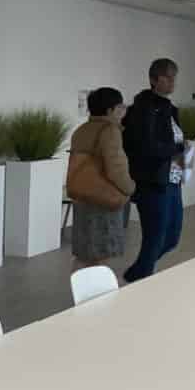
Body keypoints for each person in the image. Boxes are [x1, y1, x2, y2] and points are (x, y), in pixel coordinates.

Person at [122, 58, 185, 282]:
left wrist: (182, 164)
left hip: (173, 180)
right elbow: (145, 147)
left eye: (173, 77)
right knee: (155, 239)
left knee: (172, 238)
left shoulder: (171, 109)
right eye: (167, 77)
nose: (172, 82)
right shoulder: (142, 109)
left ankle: (135, 274)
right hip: (152, 183)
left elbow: (176, 144)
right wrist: (176, 148)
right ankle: (140, 279)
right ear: (153, 79)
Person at [65, 87, 132, 273]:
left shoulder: (81, 130)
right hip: (103, 199)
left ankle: (79, 286)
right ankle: (101, 289)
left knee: (84, 252)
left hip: (82, 196)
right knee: (103, 253)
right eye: (120, 106)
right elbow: (115, 168)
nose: (123, 110)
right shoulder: (109, 131)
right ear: (110, 110)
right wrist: (130, 188)